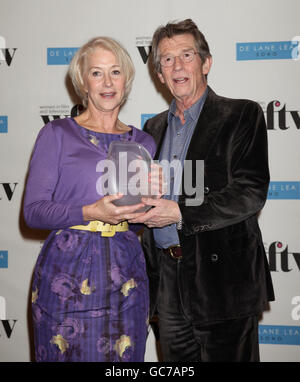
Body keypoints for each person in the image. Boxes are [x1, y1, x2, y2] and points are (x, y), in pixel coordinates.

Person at [129, 19, 275, 362]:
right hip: (167, 283)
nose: (177, 66)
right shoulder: (151, 129)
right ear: (159, 75)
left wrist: (180, 212)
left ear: (205, 63)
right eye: (166, 59)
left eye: (186, 55)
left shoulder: (241, 114)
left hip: (223, 281)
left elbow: (250, 191)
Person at [23, 37, 157, 362]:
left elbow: (140, 217)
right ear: (83, 82)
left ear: (126, 79)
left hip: (127, 271)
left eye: (115, 72)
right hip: (66, 271)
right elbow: (33, 212)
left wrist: (153, 203)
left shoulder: (144, 142)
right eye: (97, 73)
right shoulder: (56, 134)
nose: (107, 82)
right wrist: (88, 211)